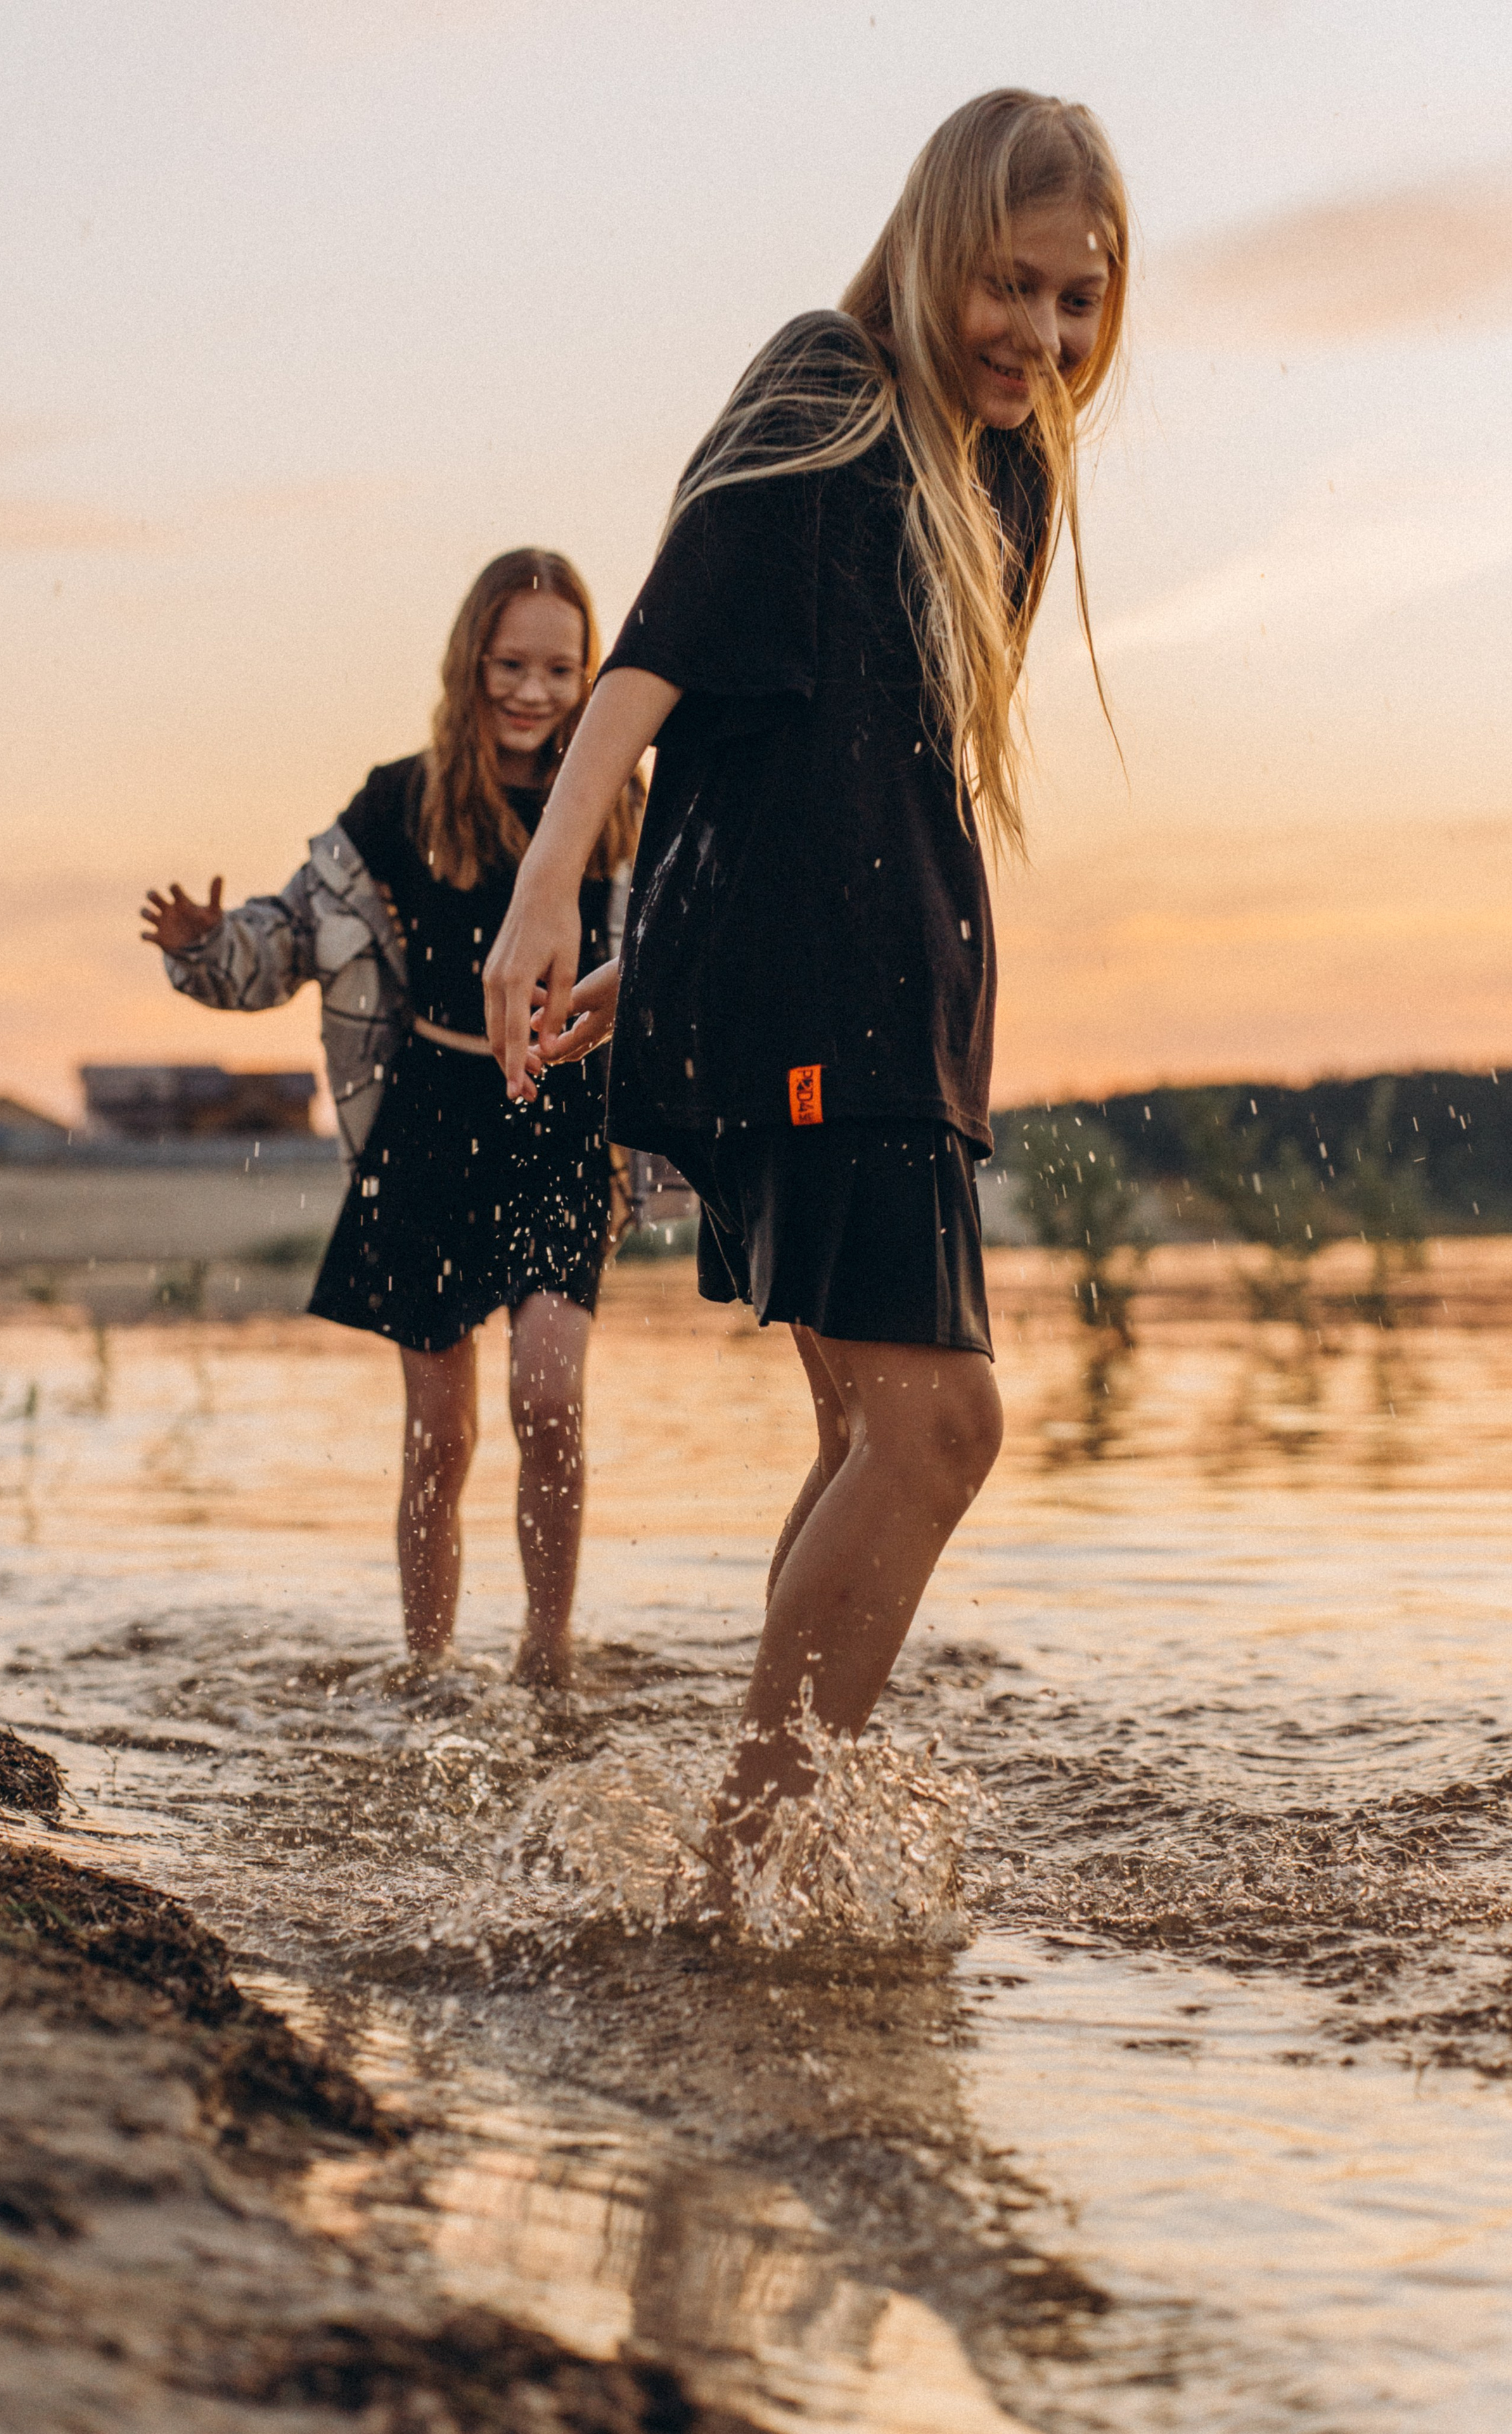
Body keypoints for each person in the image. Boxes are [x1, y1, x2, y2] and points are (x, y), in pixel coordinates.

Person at [482, 93, 1129, 1850]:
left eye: (1077, 298)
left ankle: (763, 1865)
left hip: (896, 990)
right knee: (939, 1431)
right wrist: (557, 889)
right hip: (826, 994)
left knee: (865, 1430)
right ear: (928, 250)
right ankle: (751, 1868)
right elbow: (664, 652)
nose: (1040, 332)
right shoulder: (825, 381)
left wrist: (674, 952)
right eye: (1007, 284)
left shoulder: (1010, 471)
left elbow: (841, 750)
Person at [141, 549, 641, 1687]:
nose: (532, 691)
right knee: (442, 1432)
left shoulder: (619, 807)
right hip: (429, 1123)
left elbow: (693, 935)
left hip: (562, 1118)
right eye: (509, 665)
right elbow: (291, 932)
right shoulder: (401, 800)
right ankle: (427, 1668)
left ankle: (548, 1660)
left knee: (550, 1398)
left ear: (592, 675)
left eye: (559, 669)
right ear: (471, 663)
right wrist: (208, 950)